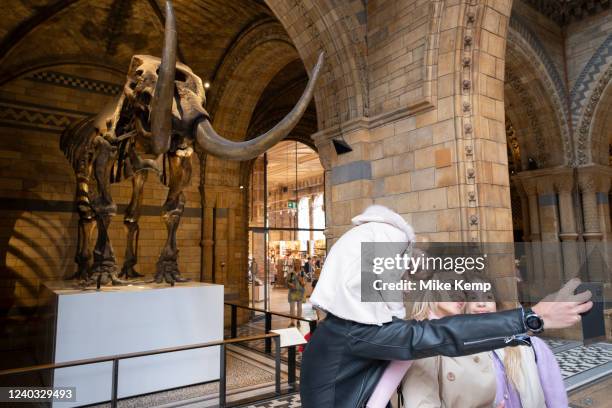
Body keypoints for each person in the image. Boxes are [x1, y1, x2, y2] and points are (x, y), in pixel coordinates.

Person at [300, 205, 592, 408]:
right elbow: (440, 334)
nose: (403, 286)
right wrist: (534, 316)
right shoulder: (359, 332)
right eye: (395, 276)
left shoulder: (343, 329)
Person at [465, 276, 568, 408]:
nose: (481, 304)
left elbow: (556, 399)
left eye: (488, 297)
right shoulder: (456, 355)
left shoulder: (533, 346)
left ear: (496, 305)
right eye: (473, 298)